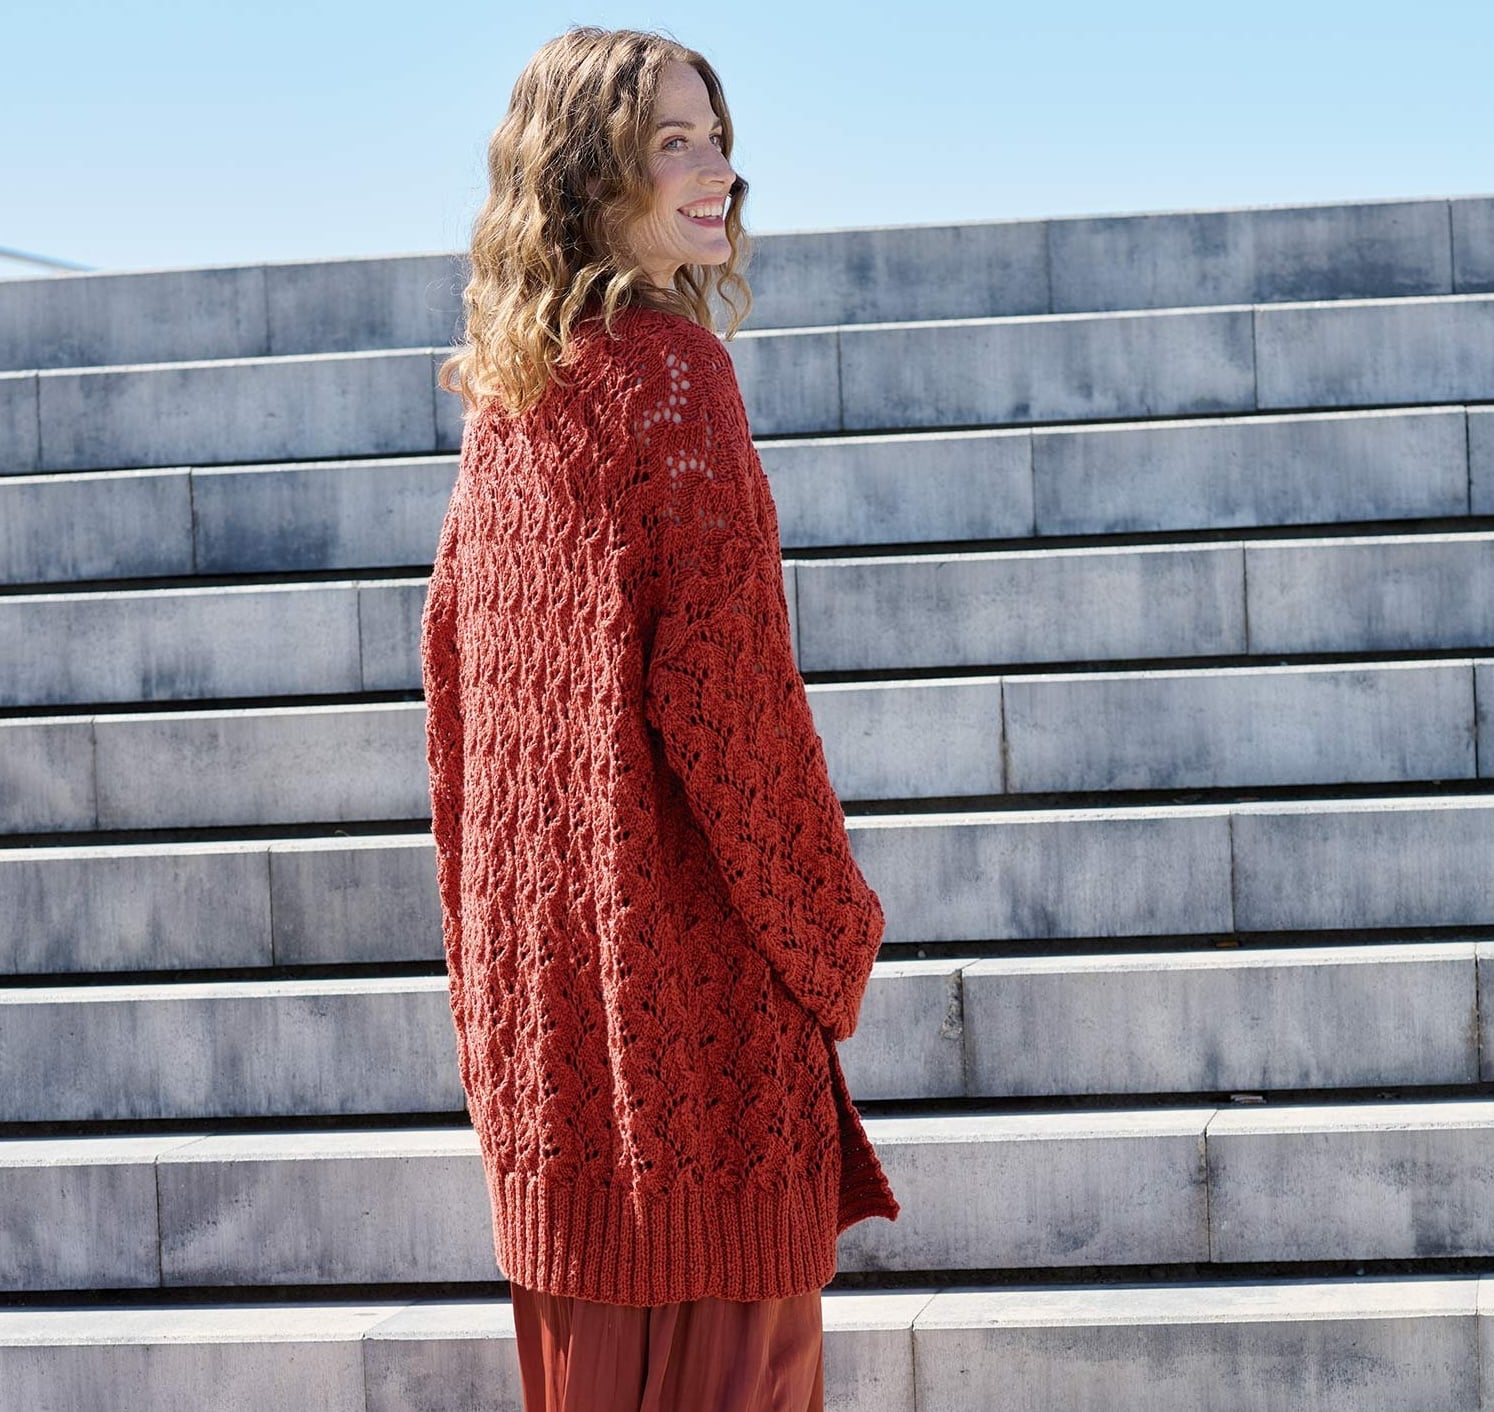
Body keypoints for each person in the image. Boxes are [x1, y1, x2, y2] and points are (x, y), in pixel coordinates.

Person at [420, 25, 898, 1412]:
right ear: (588, 177)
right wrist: (835, 933)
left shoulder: (511, 399)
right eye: (671, 144)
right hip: (690, 1045)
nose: (717, 171)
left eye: (718, 137)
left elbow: (456, 716)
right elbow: (730, 708)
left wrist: (495, 986)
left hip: (555, 1056)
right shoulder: (674, 378)